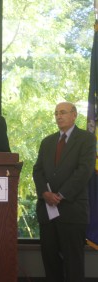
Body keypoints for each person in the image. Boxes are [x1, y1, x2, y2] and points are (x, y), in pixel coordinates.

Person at [33, 101, 96, 282]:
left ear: (74, 114)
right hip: (48, 212)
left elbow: (84, 171)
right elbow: (38, 171)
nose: (58, 116)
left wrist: (60, 195)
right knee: (50, 262)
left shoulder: (87, 139)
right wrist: (45, 193)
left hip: (72, 211)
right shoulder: (47, 142)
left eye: (63, 112)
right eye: (56, 113)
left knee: (73, 264)